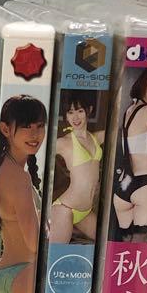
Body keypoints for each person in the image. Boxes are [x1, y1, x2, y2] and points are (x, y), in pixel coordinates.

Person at [0, 94, 46, 293]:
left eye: (40, 126)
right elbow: (35, 242)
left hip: (2, 278)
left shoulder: (1, 168)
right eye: (26, 126)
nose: (35, 134)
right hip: (26, 277)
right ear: (5, 129)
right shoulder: (19, 177)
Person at [112, 68, 147, 241]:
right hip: (146, 183)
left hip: (124, 186)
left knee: (124, 246)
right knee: (139, 247)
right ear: (144, 84)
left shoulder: (129, 110)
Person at [50, 92, 104, 245]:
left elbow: (122, 129)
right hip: (65, 209)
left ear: (89, 110)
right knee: (55, 255)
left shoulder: (96, 138)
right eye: (70, 112)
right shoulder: (63, 142)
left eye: (80, 111)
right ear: (66, 116)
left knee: (106, 243)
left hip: (85, 212)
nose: (75, 117)